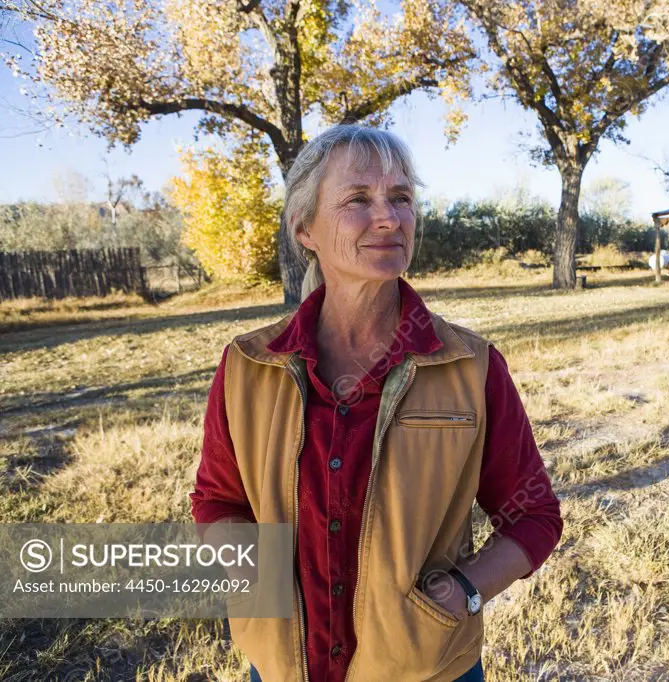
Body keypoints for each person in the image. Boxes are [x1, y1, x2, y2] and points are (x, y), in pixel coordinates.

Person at [190, 124, 563, 681]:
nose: (389, 217)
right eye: (358, 199)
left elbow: (533, 517)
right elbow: (218, 501)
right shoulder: (248, 366)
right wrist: (258, 578)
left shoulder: (471, 366)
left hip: (427, 670)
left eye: (401, 198)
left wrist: (464, 591)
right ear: (305, 228)